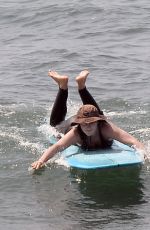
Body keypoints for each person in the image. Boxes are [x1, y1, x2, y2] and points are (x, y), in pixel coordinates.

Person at [31, 70, 145, 170]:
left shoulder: (106, 128)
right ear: (79, 124)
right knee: (55, 126)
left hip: (94, 117)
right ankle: (63, 86)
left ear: (97, 122)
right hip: (70, 123)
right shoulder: (76, 133)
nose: (88, 126)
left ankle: (81, 86)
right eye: (84, 124)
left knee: (98, 113)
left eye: (91, 123)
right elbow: (56, 147)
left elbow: (134, 142)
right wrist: (41, 161)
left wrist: (146, 154)